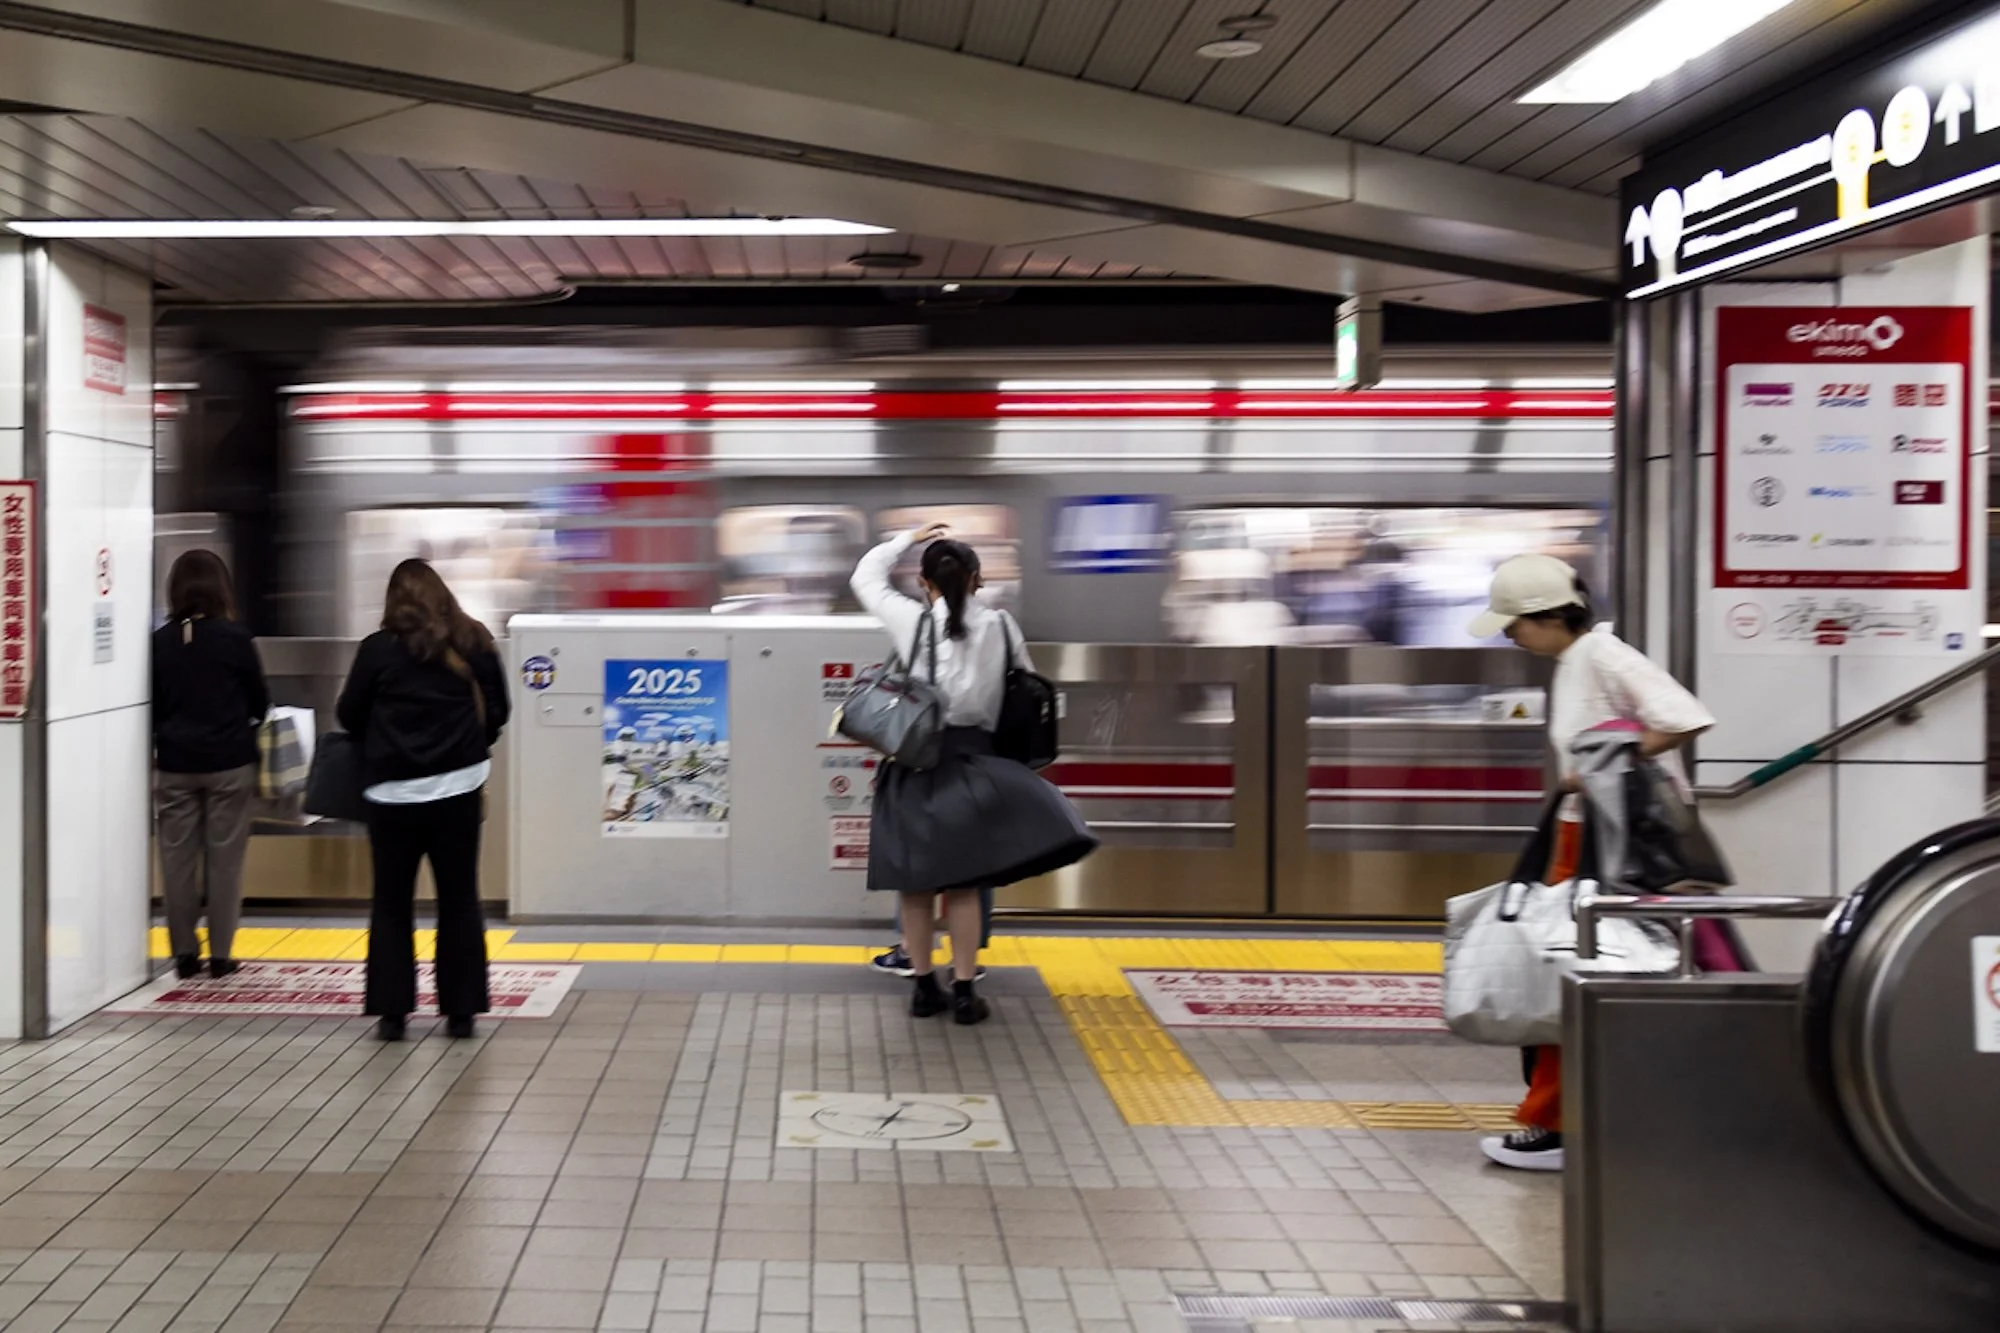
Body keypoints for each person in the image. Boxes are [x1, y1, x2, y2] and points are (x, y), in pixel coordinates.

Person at [1467, 553, 1714, 1172]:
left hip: (1607, 844)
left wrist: (1600, 766)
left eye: (1514, 624)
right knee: (1575, 973)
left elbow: (1684, 717)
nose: (1510, 636)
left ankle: (1558, 1124)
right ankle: (1571, 1118)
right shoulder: (1576, 659)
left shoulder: (1602, 655)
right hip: (1589, 837)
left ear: (1551, 616)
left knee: (1569, 974)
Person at [851, 524, 1096, 1023]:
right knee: (964, 886)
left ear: (926, 584)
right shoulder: (1003, 627)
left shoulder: (910, 622)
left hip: (916, 764)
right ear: (978, 580)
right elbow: (1026, 688)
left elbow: (866, 577)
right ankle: (964, 992)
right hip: (977, 762)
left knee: (917, 887)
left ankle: (923, 989)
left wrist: (905, 538)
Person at [337, 559, 510, 1041]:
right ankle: (462, 1011)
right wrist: (469, 744)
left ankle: (392, 1013)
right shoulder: (473, 641)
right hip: (458, 789)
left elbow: (348, 714)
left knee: (391, 902)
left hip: (391, 795)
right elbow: (499, 710)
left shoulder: (377, 650)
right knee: (459, 899)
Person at [152, 550, 270, 981]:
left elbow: (153, 706)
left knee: (176, 861)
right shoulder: (236, 639)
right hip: (229, 765)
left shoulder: (160, 642)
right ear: (222, 588)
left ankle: (184, 953)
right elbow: (261, 701)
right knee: (225, 862)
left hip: (176, 765)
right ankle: (221, 956)